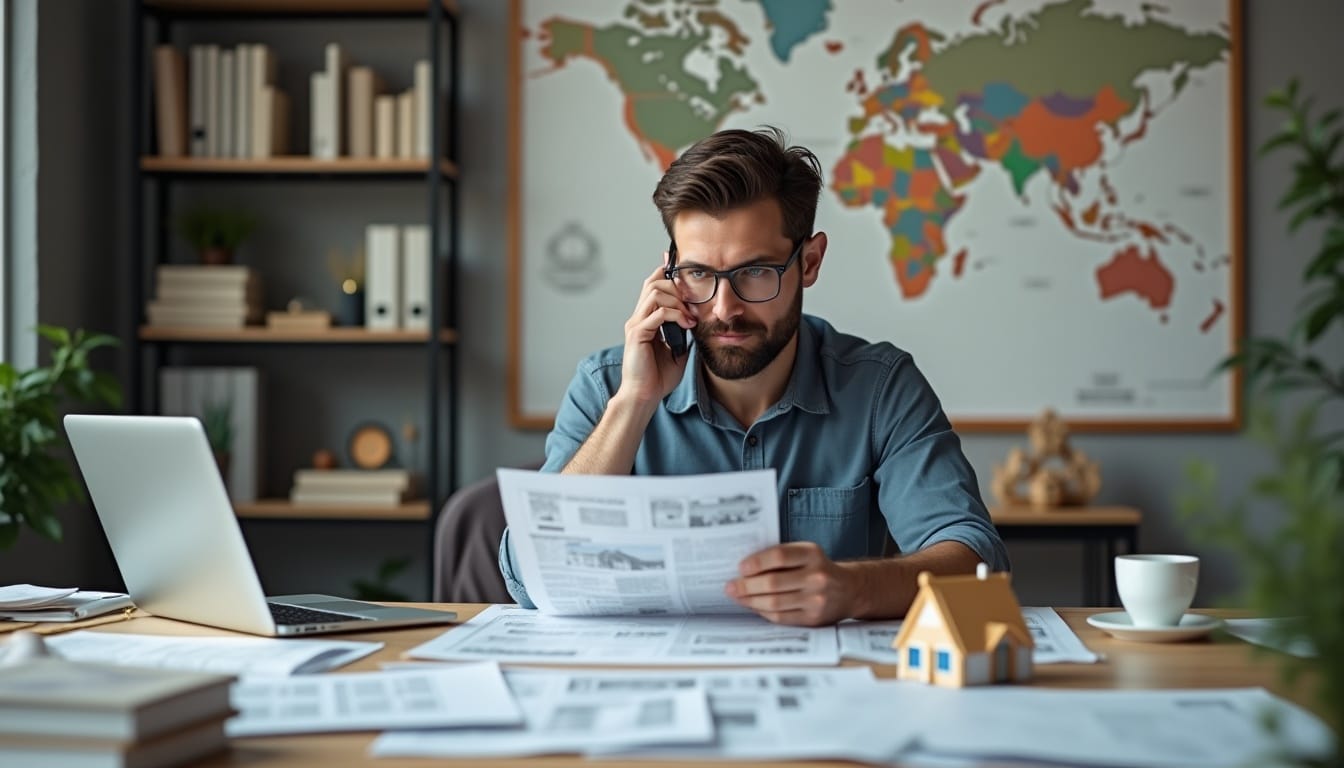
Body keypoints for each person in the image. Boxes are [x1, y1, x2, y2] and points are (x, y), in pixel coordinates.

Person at [500, 126, 1008, 626]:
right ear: (669, 273)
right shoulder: (607, 385)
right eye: (698, 274)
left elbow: (976, 562)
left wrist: (853, 588)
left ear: (809, 262)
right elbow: (528, 575)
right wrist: (633, 403)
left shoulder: (881, 388)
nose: (725, 309)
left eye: (755, 272)